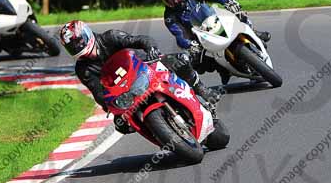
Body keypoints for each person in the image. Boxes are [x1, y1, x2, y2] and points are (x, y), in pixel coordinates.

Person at [59, 20, 220, 134]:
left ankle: (201, 89)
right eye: (72, 46)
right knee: (120, 124)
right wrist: (109, 104)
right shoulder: (82, 68)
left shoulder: (110, 37)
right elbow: (97, 92)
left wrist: (150, 48)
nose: (78, 47)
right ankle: (159, 131)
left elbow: (139, 40)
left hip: (145, 65)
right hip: (124, 91)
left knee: (181, 61)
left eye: (78, 42)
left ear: (86, 34)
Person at [158, 0, 271, 85]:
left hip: (214, 20)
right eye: (169, 0)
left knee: (238, 14)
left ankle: (252, 31)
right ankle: (223, 70)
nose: (174, 1)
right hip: (200, 37)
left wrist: (228, 1)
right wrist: (190, 44)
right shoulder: (169, 17)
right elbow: (180, 36)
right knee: (198, 62)